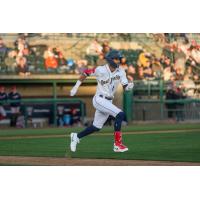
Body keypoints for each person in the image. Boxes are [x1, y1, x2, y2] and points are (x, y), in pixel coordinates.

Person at [69, 50, 134, 152]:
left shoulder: (121, 71)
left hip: (108, 101)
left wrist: (129, 86)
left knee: (96, 127)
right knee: (120, 114)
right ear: (110, 59)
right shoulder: (100, 70)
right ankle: (117, 144)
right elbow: (85, 73)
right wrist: (75, 87)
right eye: (116, 58)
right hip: (99, 99)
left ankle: (76, 136)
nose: (118, 60)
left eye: (119, 59)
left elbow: (125, 86)